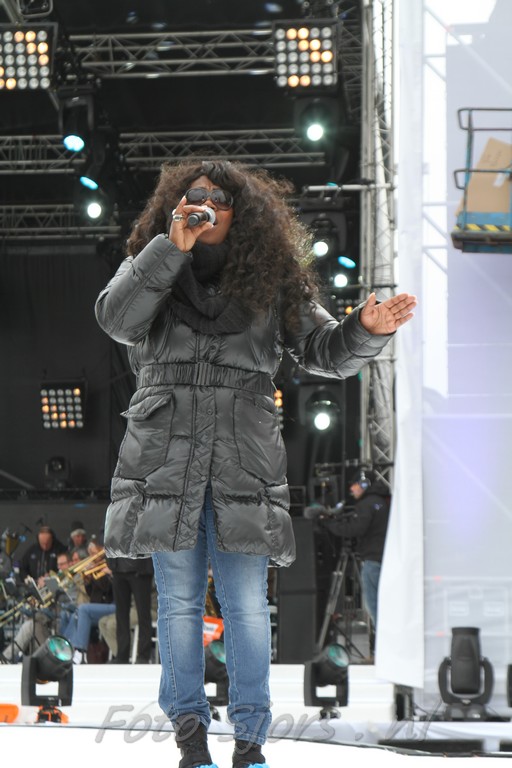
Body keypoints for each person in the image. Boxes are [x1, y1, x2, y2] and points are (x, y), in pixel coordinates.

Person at [94, 159, 416, 768]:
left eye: (220, 197)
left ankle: (250, 741)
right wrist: (169, 249)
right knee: (180, 606)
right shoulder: (149, 262)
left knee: (245, 607)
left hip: (243, 462)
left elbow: (324, 350)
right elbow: (116, 320)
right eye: (196, 194)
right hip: (165, 463)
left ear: (240, 214)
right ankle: (191, 737)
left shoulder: (272, 280)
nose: (207, 203)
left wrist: (364, 330)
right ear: (176, 204)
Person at [321, 468, 391, 631]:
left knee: (374, 606)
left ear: (364, 484)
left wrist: (329, 523)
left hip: (373, 561)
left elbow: (355, 529)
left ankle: (382, 641)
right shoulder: (382, 501)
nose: (351, 489)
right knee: (385, 604)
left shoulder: (367, 504)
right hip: (384, 559)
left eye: (354, 484)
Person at [106, 555, 154, 663]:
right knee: (121, 615)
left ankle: (143, 655)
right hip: (118, 567)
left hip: (140, 568)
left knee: (143, 614)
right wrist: (110, 563)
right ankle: (122, 655)